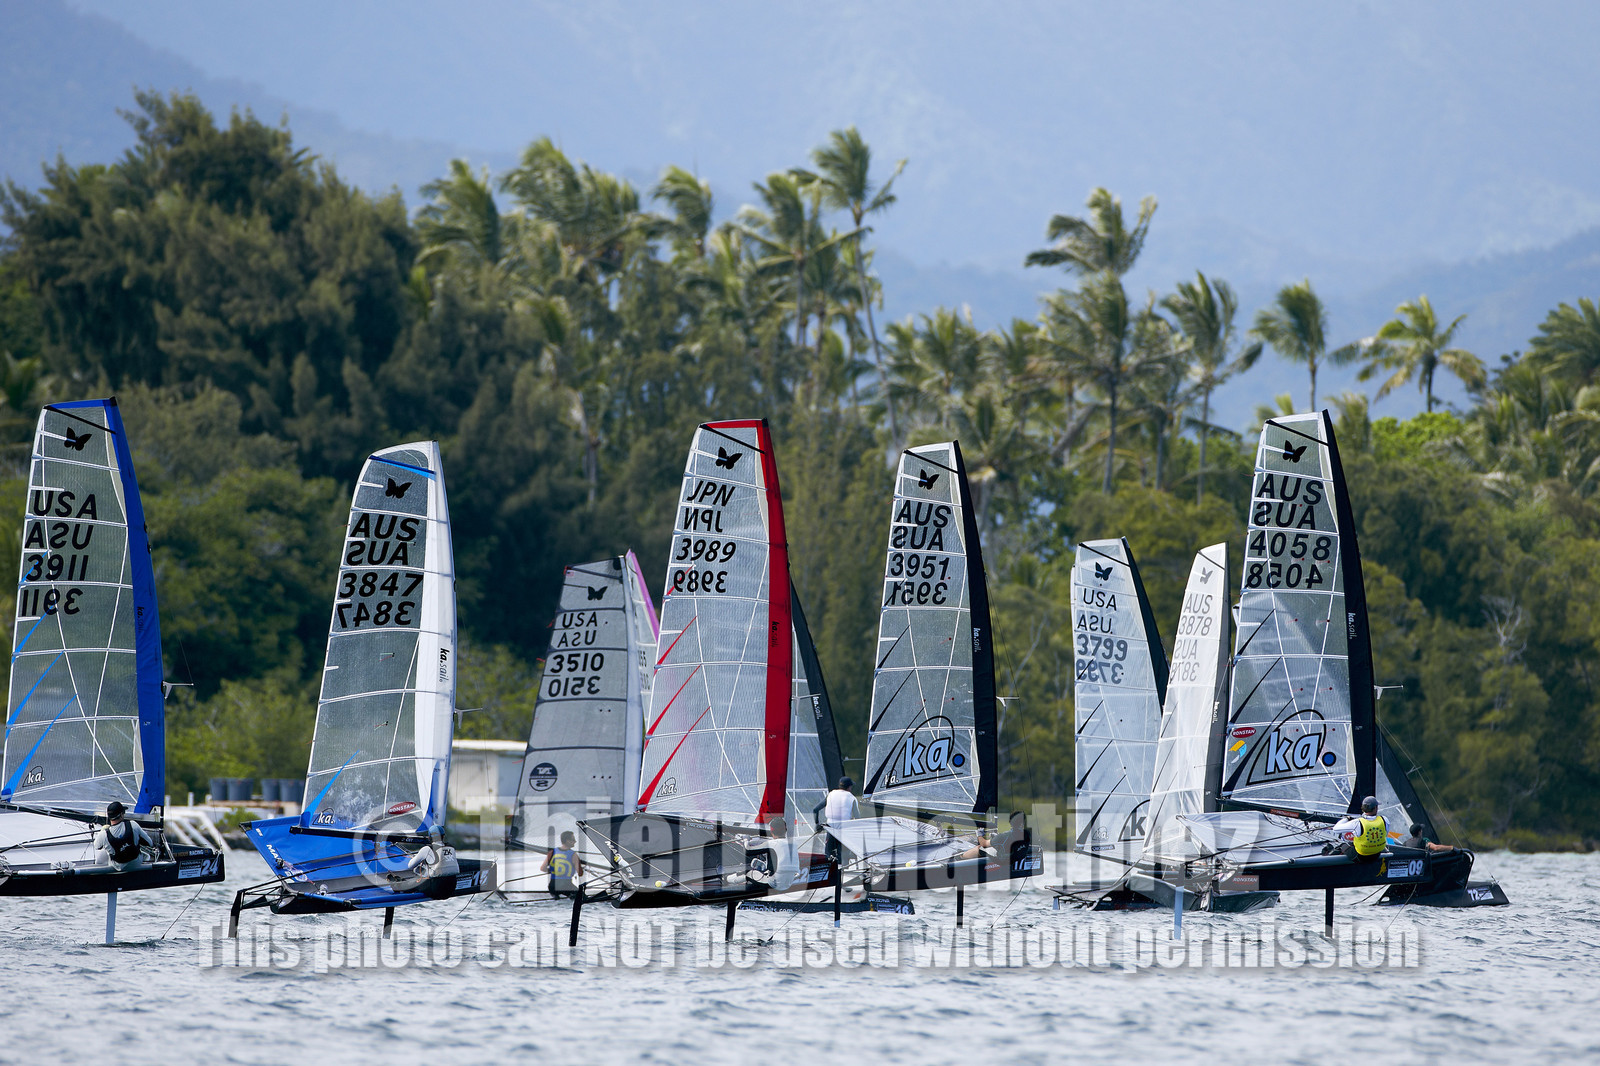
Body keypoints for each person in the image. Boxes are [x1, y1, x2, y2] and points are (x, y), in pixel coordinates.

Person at [93, 801, 150, 871]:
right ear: (121, 815)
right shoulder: (133, 825)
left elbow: (96, 846)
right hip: (135, 864)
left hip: (118, 867)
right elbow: (149, 843)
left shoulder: (103, 834)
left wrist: (102, 830)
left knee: (104, 850)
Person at [755, 816, 801, 892]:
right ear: (786, 830)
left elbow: (748, 850)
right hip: (789, 883)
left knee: (748, 874)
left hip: (773, 884)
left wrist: (746, 840)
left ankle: (728, 880)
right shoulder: (794, 843)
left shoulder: (771, 843)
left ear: (771, 831)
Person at [1338, 796, 1387, 863]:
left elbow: (1336, 829)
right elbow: (1385, 833)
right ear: (1375, 808)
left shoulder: (1358, 822)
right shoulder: (1384, 819)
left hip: (1361, 857)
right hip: (1377, 855)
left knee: (1343, 846)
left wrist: (1346, 818)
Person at [542, 830, 584, 896]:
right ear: (567, 841)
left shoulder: (552, 852)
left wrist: (556, 870)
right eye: (573, 839)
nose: (575, 841)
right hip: (566, 886)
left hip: (552, 886)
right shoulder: (574, 855)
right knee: (582, 897)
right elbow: (580, 873)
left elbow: (543, 868)